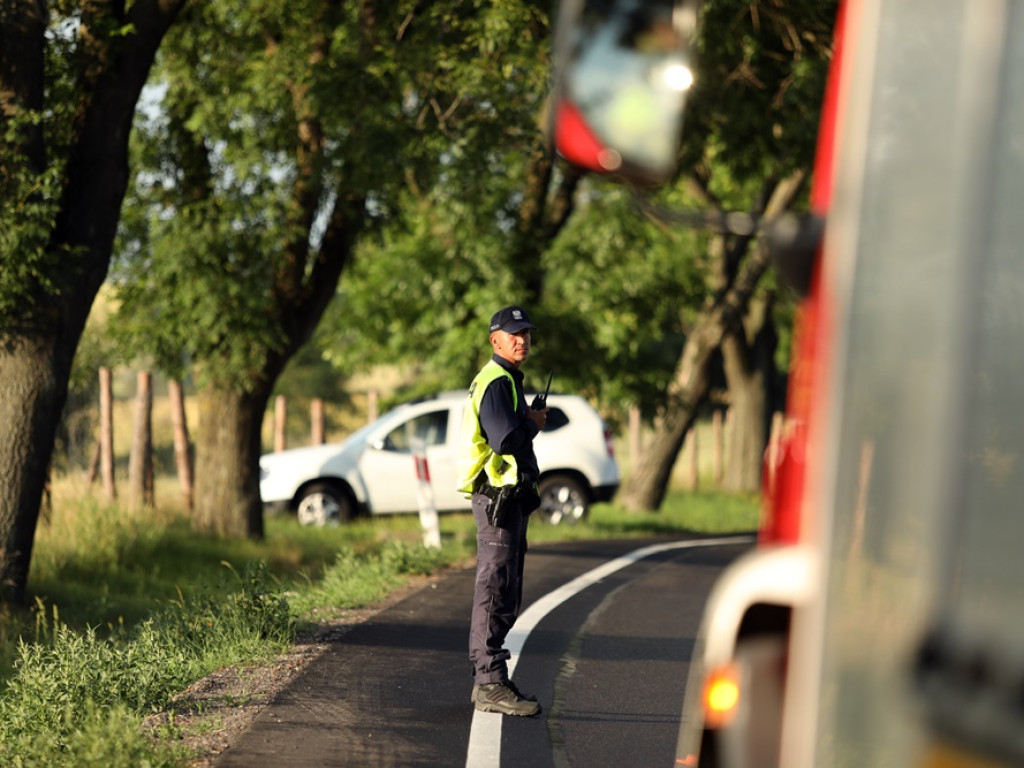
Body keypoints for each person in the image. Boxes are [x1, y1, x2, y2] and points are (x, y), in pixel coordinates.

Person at [457, 305, 549, 717]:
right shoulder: (496, 380)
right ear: (495, 339)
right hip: (496, 500)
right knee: (495, 589)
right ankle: (489, 682)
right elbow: (504, 440)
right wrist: (532, 423)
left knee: (505, 589)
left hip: (506, 500)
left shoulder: (506, 379)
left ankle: (491, 680)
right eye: (513, 333)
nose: (522, 339)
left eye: (526, 333)